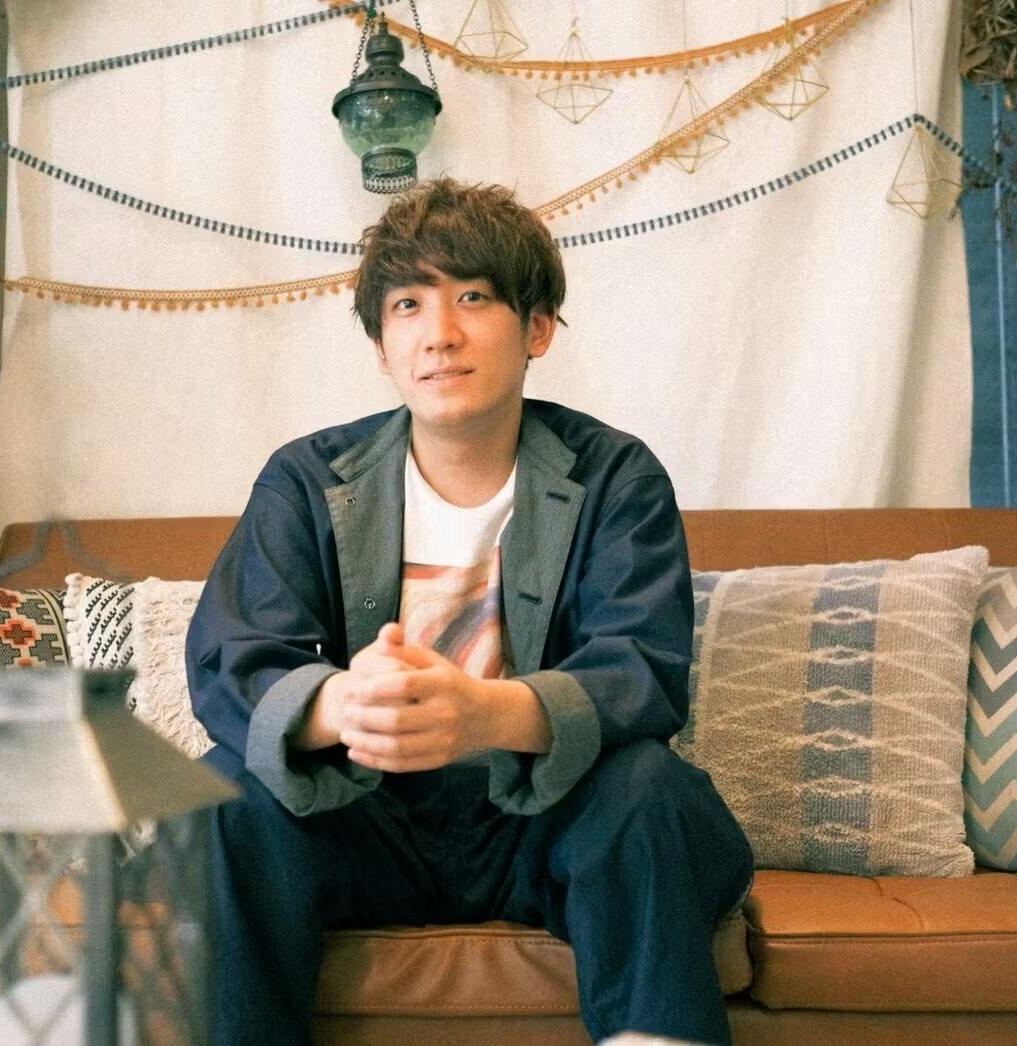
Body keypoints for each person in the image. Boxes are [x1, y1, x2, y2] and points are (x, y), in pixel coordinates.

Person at [185, 177, 753, 1045]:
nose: (440, 333)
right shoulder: (306, 480)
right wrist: (345, 705)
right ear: (382, 347)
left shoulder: (616, 475)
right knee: (224, 795)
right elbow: (233, 655)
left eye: (474, 298)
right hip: (361, 815)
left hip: (546, 817)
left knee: (649, 789)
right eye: (408, 305)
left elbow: (642, 669)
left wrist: (483, 715)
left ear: (537, 329)